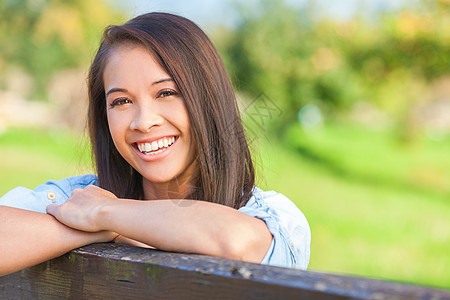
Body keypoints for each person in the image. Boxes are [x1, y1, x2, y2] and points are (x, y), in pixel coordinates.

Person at [0, 12, 310, 276]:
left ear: (208, 100)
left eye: (166, 93)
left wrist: (108, 215)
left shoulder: (274, 217)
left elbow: (235, 243)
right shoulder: (81, 199)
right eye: (121, 101)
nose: (143, 122)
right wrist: (112, 224)